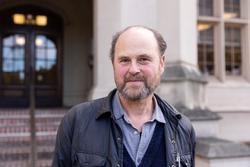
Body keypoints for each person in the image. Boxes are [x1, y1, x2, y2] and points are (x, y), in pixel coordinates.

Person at [52, 25, 196, 167]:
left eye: (143, 59)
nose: (133, 69)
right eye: (124, 60)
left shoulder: (183, 128)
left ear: (161, 63)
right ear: (113, 64)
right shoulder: (77, 122)